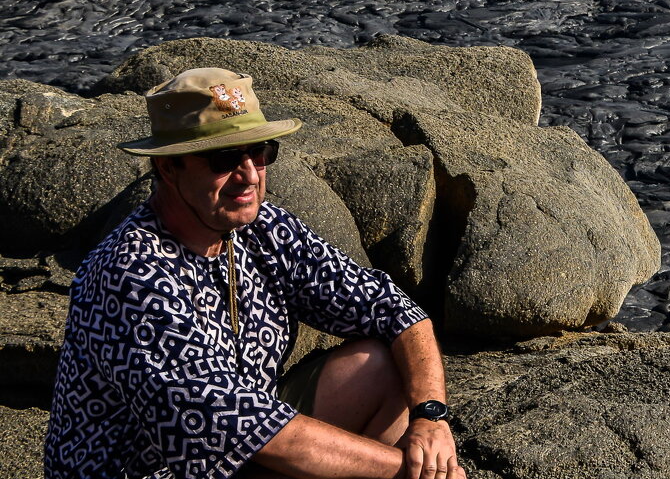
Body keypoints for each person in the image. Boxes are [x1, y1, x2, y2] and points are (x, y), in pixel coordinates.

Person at [44, 67, 466, 479]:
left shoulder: (260, 228)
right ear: (168, 169)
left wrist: (431, 418)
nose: (248, 175)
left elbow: (393, 309)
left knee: (380, 362)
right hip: (158, 467)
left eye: (261, 152)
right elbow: (231, 427)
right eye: (224, 158)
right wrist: (413, 470)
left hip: (250, 442)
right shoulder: (132, 272)